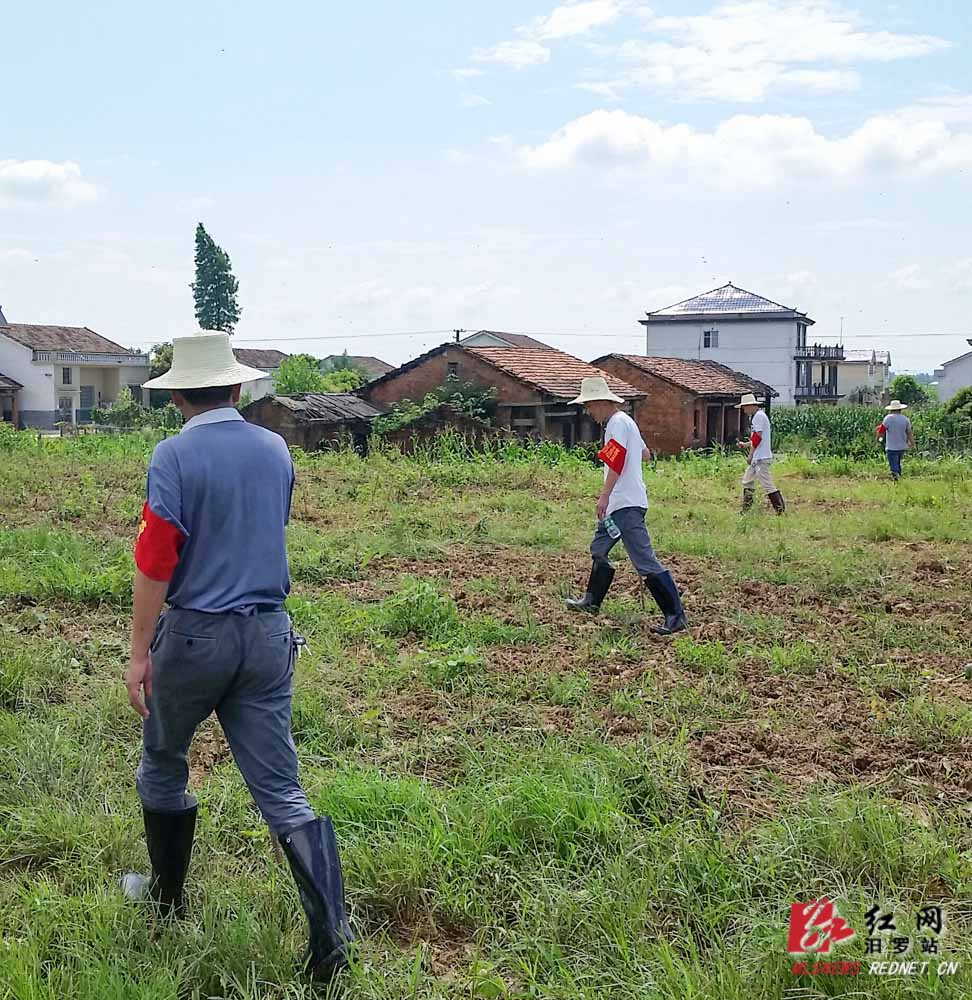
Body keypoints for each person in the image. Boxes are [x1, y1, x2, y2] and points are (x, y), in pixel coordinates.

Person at [121, 332, 353, 981]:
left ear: (177, 399)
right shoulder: (275, 448)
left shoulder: (173, 454)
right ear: (236, 387)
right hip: (268, 635)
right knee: (281, 789)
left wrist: (140, 652)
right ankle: (331, 945)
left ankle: (166, 905)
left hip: (195, 637)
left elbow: (156, 557)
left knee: (163, 763)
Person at [565, 376, 687, 634]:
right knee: (599, 547)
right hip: (621, 504)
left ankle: (675, 617)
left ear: (600, 402)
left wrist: (604, 495)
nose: (588, 412)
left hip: (625, 505)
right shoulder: (626, 423)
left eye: (589, 406)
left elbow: (617, 461)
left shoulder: (616, 424)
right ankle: (591, 601)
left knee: (644, 560)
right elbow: (645, 454)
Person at [735, 393, 785, 515]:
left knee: (767, 484)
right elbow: (757, 439)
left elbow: (758, 437)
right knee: (747, 481)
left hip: (760, 458)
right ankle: (746, 510)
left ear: (751, 406)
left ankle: (780, 510)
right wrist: (746, 445)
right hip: (759, 457)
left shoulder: (758, 417)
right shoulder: (759, 416)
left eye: (745, 407)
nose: (744, 410)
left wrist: (750, 454)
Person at [876, 399, 915, 480]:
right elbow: (909, 433)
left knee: (894, 466)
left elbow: (881, 431)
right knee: (898, 463)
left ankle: (897, 480)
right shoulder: (905, 419)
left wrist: (878, 439)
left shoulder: (888, 418)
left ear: (891, 409)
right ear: (900, 409)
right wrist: (912, 444)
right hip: (902, 446)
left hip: (891, 447)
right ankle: (899, 479)